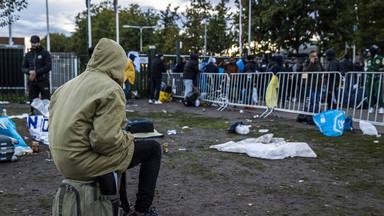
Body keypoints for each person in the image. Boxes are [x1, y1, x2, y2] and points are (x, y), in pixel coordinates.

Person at [48, 38, 161, 216]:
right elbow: (104, 142)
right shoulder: (111, 89)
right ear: (117, 63)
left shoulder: (66, 86)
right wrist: (128, 139)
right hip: (82, 162)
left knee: (124, 148)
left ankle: (115, 200)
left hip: (61, 159)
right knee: (153, 149)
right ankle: (142, 210)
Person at [21, 35, 52, 110]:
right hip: (32, 82)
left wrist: (36, 73)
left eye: (35, 42)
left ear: (39, 43)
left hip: (43, 81)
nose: (33, 44)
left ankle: (47, 117)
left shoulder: (45, 53)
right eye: (32, 42)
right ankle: (33, 116)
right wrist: (29, 71)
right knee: (33, 101)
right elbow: (23, 68)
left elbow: (48, 66)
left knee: (46, 101)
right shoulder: (28, 54)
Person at [364, 45, 384, 114]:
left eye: (369, 51)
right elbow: (365, 68)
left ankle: (381, 106)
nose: (367, 53)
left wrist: (383, 69)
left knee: (378, 92)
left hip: (377, 77)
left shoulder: (381, 58)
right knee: (369, 92)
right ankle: (371, 106)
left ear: (372, 52)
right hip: (369, 78)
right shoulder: (368, 59)